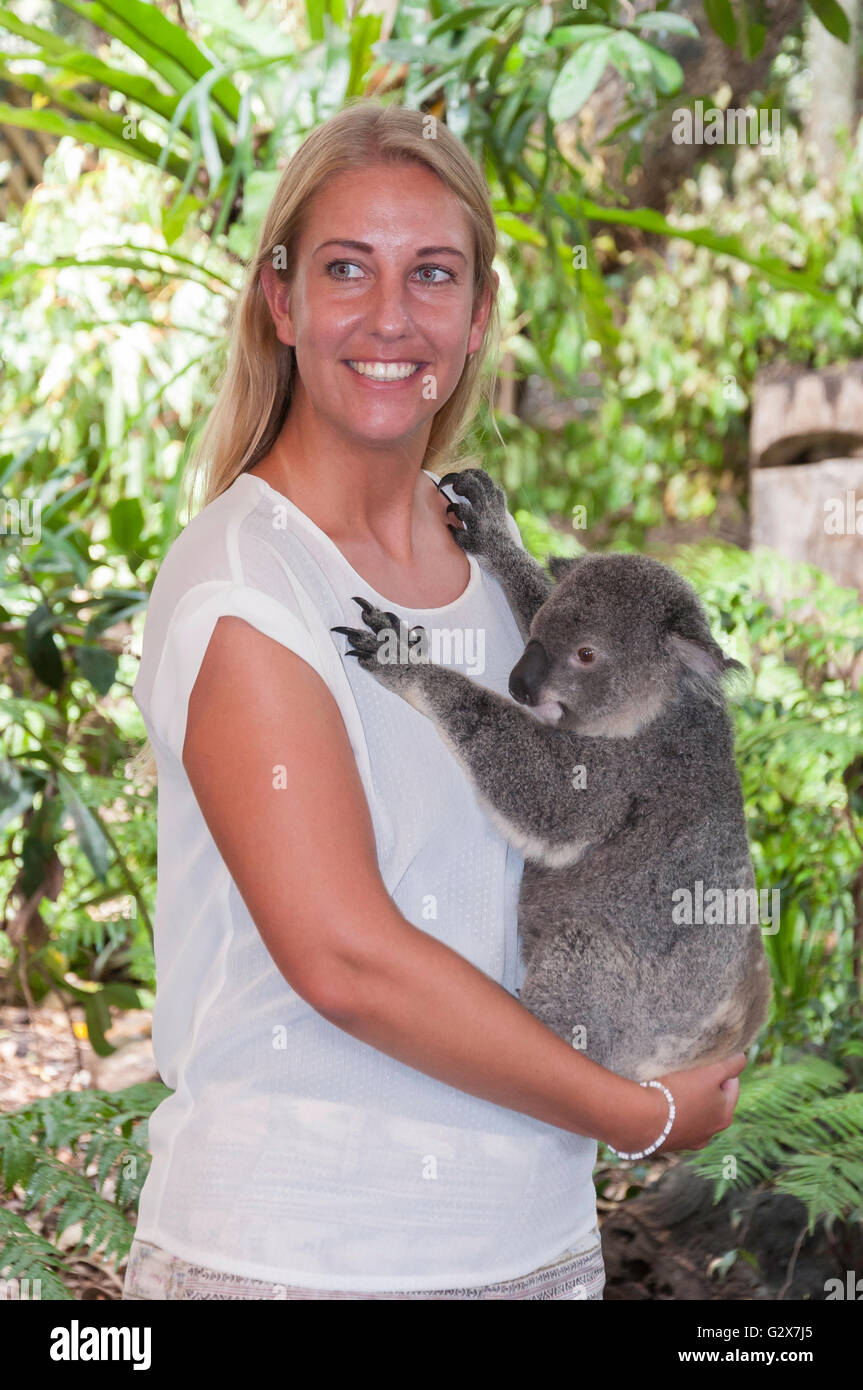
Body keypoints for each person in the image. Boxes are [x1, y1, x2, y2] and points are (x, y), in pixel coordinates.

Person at [123, 99, 745, 1301]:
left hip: (534, 1246)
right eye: (347, 268)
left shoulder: (511, 590)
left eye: (433, 275)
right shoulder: (247, 581)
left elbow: (612, 829)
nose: (391, 316)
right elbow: (345, 956)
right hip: (296, 1257)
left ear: (476, 318)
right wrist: (637, 1111)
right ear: (282, 300)